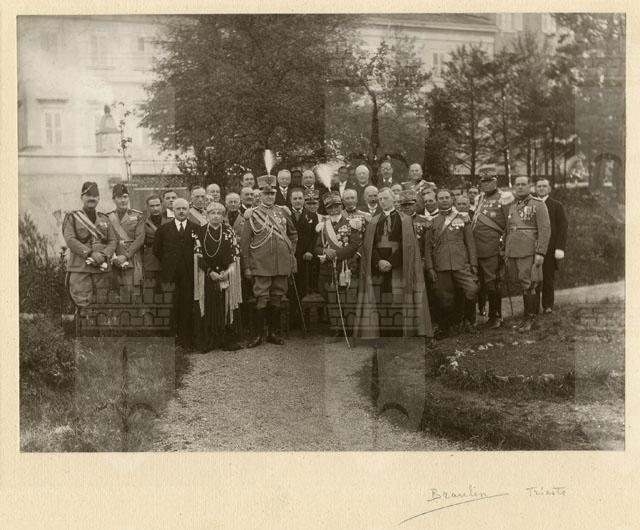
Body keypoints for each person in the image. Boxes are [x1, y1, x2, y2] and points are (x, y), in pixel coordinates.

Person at [354, 188, 432, 339]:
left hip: (398, 266)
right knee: (381, 300)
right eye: (380, 199)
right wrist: (379, 261)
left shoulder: (405, 220)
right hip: (378, 267)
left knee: (397, 301)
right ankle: (382, 337)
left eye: (385, 198)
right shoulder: (373, 221)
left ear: (393, 199)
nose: (382, 201)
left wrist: (390, 262)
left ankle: (397, 337)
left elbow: (407, 245)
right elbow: (369, 246)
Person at [241, 174, 298, 347]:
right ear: (260, 195)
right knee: (262, 297)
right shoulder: (252, 214)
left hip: (281, 263)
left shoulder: (283, 212)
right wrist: (247, 267)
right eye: (266, 193)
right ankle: (258, 335)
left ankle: (273, 333)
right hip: (261, 264)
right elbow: (244, 243)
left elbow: (293, 234)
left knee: (277, 296)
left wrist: (290, 252)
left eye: (272, 193)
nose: (269, 196)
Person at [425, 189, 479, 337]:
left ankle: (468, 321)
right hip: (441, 265)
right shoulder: (431, 221)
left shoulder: (463, 218)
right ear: (437, 201)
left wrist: (473, 264)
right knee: (445, 298)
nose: (444, 200)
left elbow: (470, 243)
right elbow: (428, 248)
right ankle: (447, 327)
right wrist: (430, 268)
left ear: (452, 199)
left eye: (446, 197)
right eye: (441, 198)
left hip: (461, 263)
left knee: (472, 289)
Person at [504, 176, 551, 331]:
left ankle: (531, 319)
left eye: (523, 184)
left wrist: (541, 252)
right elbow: (509, 230)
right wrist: (506, 250)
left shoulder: (538, 204)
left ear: (530, 186)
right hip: (514, 250)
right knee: (522, 283)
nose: (520, 187)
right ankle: (526, 318)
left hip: (528, 250)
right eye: (517, 184)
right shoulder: (513, 206)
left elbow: (545, 229)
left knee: (529, 284)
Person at [63, 181, 117, 308]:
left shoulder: (104, 218)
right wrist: (90, 253)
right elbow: (70, 240)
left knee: (101, 306)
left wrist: (104, 255)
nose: (92, 198)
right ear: (81, 197)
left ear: (98, 198)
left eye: (95, 196)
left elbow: (113, 240)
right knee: (82, 306)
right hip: (81, 270)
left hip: (101, 270)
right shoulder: (72, 217)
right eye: (88, 195)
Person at [314, 191, 362, 336]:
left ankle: (349, 328)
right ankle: (336, 327)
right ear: (326, 209)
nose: (334, 210)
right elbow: (317, 247)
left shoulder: (351, 224)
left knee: (347, 298)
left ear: (341, 206)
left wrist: (336, 254)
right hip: (327, 270)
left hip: (345, 267)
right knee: (331, 298)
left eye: (336, 206)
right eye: (330, 208)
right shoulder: (323, 226)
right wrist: (324, 251)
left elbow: (354, 245)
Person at [153, 198, 198, 349]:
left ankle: (186, 339)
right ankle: (171, 339)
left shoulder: (196, 228)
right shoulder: (163, 229)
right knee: (171, 306)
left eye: (184, 208)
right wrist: (170, 263)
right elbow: (157, 250)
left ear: (188, 210)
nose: (181, 211)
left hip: (188, 275)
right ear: (173, 210)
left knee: (186, 305)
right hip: (170, 275)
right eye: (178, 208)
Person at [471, 168, 514, 328]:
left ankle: (496, 316)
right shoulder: (480, 198)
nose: (486, 184)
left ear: (496, 181)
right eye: (484, 181)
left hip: (493, 247)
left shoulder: (504, 197)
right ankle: (484, 315)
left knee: (492, 282)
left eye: (490, 181)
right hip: (476, 248)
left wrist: (505, 246)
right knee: (480, 282)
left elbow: (510, 224)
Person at [197, 202, 242, 351]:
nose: (216, 216)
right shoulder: (200, 231)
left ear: (223, 216)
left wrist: (226, 272)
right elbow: (197, 255)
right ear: (207, 215)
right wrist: (210, 272)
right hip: (208, 275)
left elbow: (235, 253)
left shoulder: (229, 231)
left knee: (226, 305)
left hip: (226, 275)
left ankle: (226, 339)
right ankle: (210, 339)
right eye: (212, 213)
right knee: (210, 305)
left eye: (219, 213)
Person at [534, 178, 568, 314]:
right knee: (534, 278)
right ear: (535, 189)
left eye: (544, 186)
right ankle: (533, 307)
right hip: (533, 247)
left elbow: (562, 228)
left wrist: (560, 248)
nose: (541, 188)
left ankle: (547, 306)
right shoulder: (530, 205)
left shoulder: (556, 206)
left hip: (550, 248)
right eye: (539, 186)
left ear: (549, 189)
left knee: (548, 277)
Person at [108, 183, 145, 296]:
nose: (123, 200)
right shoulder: (107, 217)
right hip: (113, 261)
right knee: (115, 294)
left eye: (125, 197)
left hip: (132, 260)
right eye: (119, 197)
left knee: (134, 294)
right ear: (114, 199)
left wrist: (126, 255)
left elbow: (140, 238)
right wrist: (113, 256)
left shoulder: (138, 216)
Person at [142, 194, 170, 289]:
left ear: (162, 206)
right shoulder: (143, 223)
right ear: (147, 207)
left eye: (157, 205)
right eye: (152, 206)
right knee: (150, 290)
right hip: (150, 261)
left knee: (166, 291)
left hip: (165, 261)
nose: (155, 208)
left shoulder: (169, 222)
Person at [398, 190, 429, 256]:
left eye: (410, 204)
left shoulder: (424, 221)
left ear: (416, 204)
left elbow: (427, 244)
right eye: (404, 205)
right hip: (401, 257)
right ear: (400, 206)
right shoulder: (396, 221)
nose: (407, 207)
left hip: (420, 257)